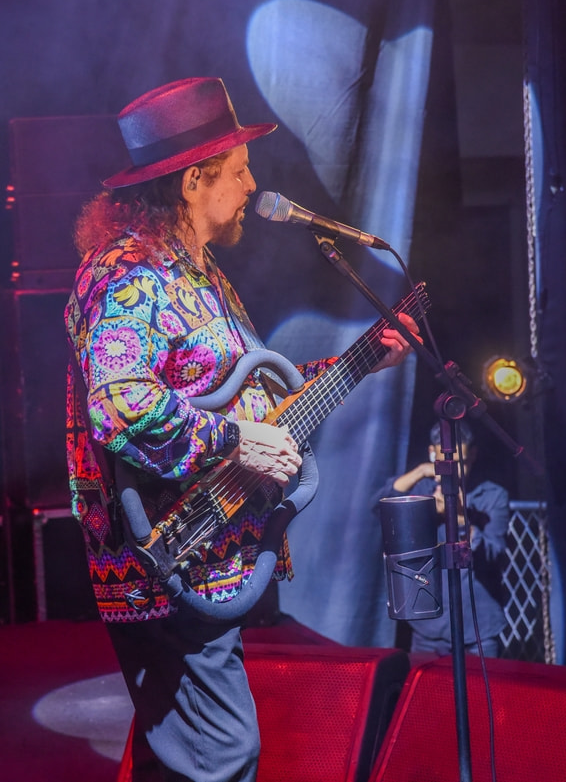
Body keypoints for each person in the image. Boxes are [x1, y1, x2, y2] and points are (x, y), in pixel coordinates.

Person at [64, 77, 418, 782]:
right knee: (224, 755)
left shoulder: (199, 276)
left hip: (211, 554)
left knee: (185, 758)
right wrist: (235, 442)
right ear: (193, 181)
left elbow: (250, 398)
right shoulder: (130, 275)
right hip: (166, 556)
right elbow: (121, 404)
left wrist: (362, 361)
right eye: (239, 169)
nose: (253, 186)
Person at [376, 420, 510, 658]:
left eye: (461, 464)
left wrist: (458, 517)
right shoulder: (425, 490)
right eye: (447, 465)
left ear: (473, 455)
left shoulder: (492, 496)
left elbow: (494, 554)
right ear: (432, 455)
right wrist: (420, 471)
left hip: (477, 626)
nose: (454, 472)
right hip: (428, 628)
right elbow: (381, 507)